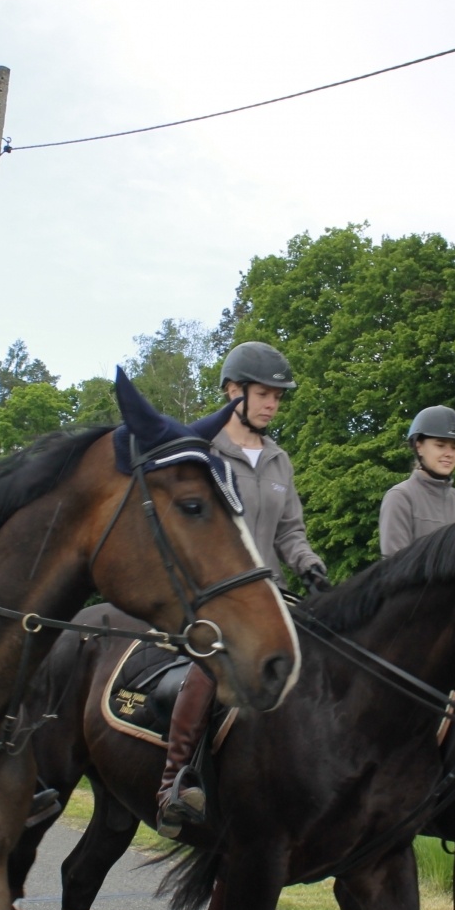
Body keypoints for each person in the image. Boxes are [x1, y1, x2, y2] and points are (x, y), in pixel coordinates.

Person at [155, 340, 328, 838]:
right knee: (212, 662)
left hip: (269, 591)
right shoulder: (207, 454)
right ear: (234, 391)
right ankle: (173, 783)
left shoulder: (279, 461)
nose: (273, 403)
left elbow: (289, 533)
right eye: (264, 393)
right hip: (212, 596)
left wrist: (310, 566)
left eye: (278, 396)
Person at [378, 405, 455, 557]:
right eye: (440, 445)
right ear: (419, 447)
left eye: (454, 447)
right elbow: (394, 566)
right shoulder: (400, 498)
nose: (449, 454)